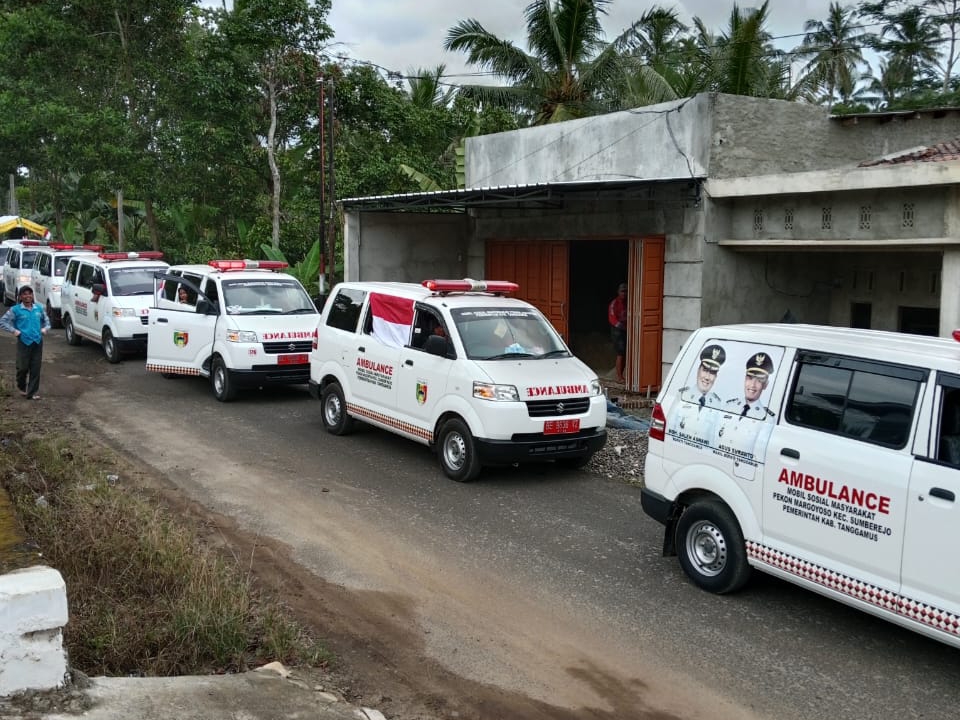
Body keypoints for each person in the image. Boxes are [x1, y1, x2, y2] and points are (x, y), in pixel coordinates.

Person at [0, 286, 51, 400]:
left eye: (29, 294)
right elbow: (3, 322)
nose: (27, 296)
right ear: (20, 296)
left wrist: (45, 329)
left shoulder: (39, 308)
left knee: (35, 368)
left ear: (32, 295)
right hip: (24, 341)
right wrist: (14, 331)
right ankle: (21, 386)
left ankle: (31, 393)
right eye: (25, 294)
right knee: (22, 368)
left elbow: (47, 322)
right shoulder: (15, 310)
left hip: (37, 341)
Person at [673, 344, 726, 446]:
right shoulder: (682, 395)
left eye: (712, 373)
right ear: (698, 371)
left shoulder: (717, 404)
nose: (707, 377)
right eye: (705, 370)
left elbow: (715, 441)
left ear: (716, 377)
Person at [607, 282, 627, 384]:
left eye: (626, 291)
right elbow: (612, 319)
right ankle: (619, 377)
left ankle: (622, 375)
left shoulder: (629, 302)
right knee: (620, 353)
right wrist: (623, 326)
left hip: (626, 329)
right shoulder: (614, 303)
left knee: (626, 353)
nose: (624, 293)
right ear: (618, 292)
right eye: (622, 291)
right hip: (617, 330)